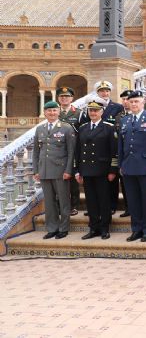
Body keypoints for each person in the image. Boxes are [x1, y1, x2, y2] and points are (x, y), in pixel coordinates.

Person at [119, 90, 146, 242]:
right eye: (131, 102)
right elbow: (121, 145)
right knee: (132, 201)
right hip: (129, 166)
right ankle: (136, 229)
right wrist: (121, 164)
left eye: (136, 101)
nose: (133, 104)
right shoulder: (125, 120)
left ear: (143, 102)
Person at [75, 97, 118, 240]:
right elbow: (78, 151)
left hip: (103, 170)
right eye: (91, 110)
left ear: (102, 112)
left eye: (96, 110)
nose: (93, 113)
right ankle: (94, 228)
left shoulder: (109, 128)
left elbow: (114, 152)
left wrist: (112, 171)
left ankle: (105, 228)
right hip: (87, 170)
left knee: (104, 200)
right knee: (91, 200)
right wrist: (78, 170)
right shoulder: (83, 128)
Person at [33, 101, 76, 240]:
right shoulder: (40, 129)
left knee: (63, 201)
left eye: (54, 111)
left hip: (60, 170)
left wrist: (68, 170)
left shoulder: (66, 128)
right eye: (49, 111)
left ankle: (63, 228)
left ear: (58, 112)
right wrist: (36, 170)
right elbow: (36, 152)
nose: (52, 113)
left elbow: (71, 152)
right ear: (45, 112)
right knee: (50, 202)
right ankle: (52, 228)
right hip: (44, 170)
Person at [92, 80, 124, 210]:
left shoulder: (117, 107)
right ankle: (97, 205)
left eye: (106, 91)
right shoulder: (92, 107)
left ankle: (112, 204)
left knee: (112, 178)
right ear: (97, 93)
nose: (104, 93)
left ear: (110, 92)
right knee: (97, 179)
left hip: (111, 145)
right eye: (101, 91)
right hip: (96, 146)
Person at [56, 86, 83, 216]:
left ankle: (74, 205)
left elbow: (82, 132)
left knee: (72, 179)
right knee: (59, 179)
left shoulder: (78, 113)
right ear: (58, 98)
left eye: (67, 96)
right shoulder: (54, 112)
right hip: (58, 150)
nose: (64, 98)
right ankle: (60, 205)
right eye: (62, 96)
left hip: (73, 149)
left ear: (72, 98)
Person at [114, 89, 132, 218]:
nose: (126, 102)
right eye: (124, 99)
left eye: (128, 99)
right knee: (125, 185)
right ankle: (128, 207)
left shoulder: (145, 115)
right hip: (123, 156)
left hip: (137, 156)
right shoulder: (119, 116)